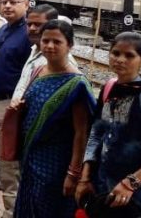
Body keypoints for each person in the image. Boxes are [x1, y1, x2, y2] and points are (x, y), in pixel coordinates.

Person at [76, 32, 141, 218]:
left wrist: (130, 183)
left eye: (129, 55)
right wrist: (85, 177)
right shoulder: (109, 88)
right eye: (115, 53)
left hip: (135, 196)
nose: (120, 60)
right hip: (103, 188)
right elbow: (97, 133)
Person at [14, 20, 95, 217]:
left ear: (70, 45)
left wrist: (73, 173)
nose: (50, 46)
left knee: (49, 209)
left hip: (57, 162)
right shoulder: (38, 71)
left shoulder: (77, 84)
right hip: (31, 155)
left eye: (57, 42)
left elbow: (81, 133)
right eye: (46, 41)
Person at [0, 0, 32, 215]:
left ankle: (12, 211)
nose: (7, 6)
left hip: (13, 107)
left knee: (10, 163)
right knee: (4, 161)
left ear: (26, 5)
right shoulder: (4, 29)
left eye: (14, 2)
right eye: (4, 2)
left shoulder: (28, 34)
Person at [11, 4, 77, 106]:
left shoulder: (61, 61)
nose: (32, 28)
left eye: (38, 24)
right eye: (29, 24)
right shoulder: (35, 49)